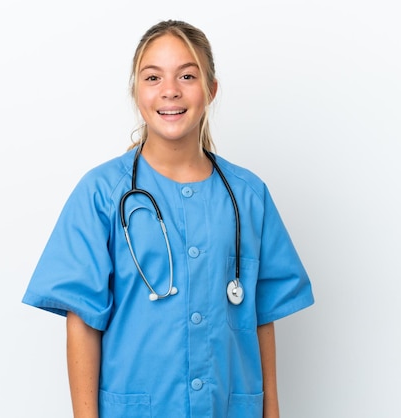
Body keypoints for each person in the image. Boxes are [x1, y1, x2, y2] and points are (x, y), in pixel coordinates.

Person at [22, 19, 314, 418]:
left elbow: (260, 317)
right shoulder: (101, 193)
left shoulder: (248, 196)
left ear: (211, 90)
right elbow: (82, 322)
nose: (170, 90)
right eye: (153, 77)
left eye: (187, 75)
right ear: (137, 93)